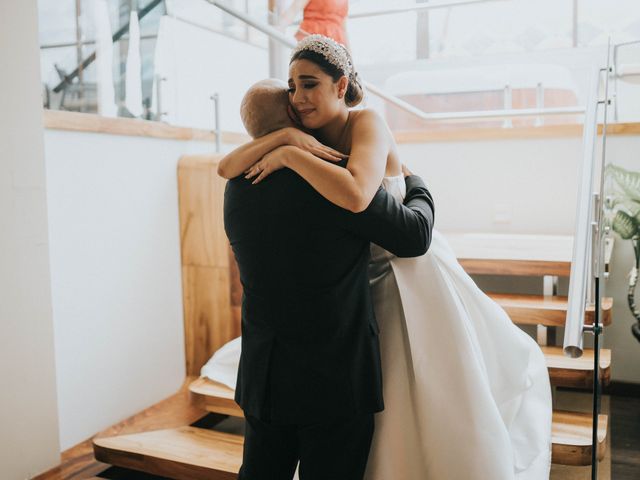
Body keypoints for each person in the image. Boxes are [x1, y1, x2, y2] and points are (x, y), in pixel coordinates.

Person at [209, 34, 552, 479]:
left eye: (308, 84)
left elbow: (360, 201)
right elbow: (403, 231)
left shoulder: (254, 179)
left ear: (340, 85)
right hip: (342, 329)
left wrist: (293, 149)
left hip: (366, 298)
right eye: (292, 88)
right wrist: (295, 141)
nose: (298, 98)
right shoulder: (315, 156)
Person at [222, 72, 435, 479]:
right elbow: (414, 235)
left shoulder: (236, 186)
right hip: (333, 381)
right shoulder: (327, 180)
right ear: (292, 111)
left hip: (263, 375)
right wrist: (415, 183)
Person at [278, 0, 350, 48]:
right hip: (312, 35)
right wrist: (280, 27)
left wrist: (350, 57)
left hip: (337, 42)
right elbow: (294, 9)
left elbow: (344, 28)